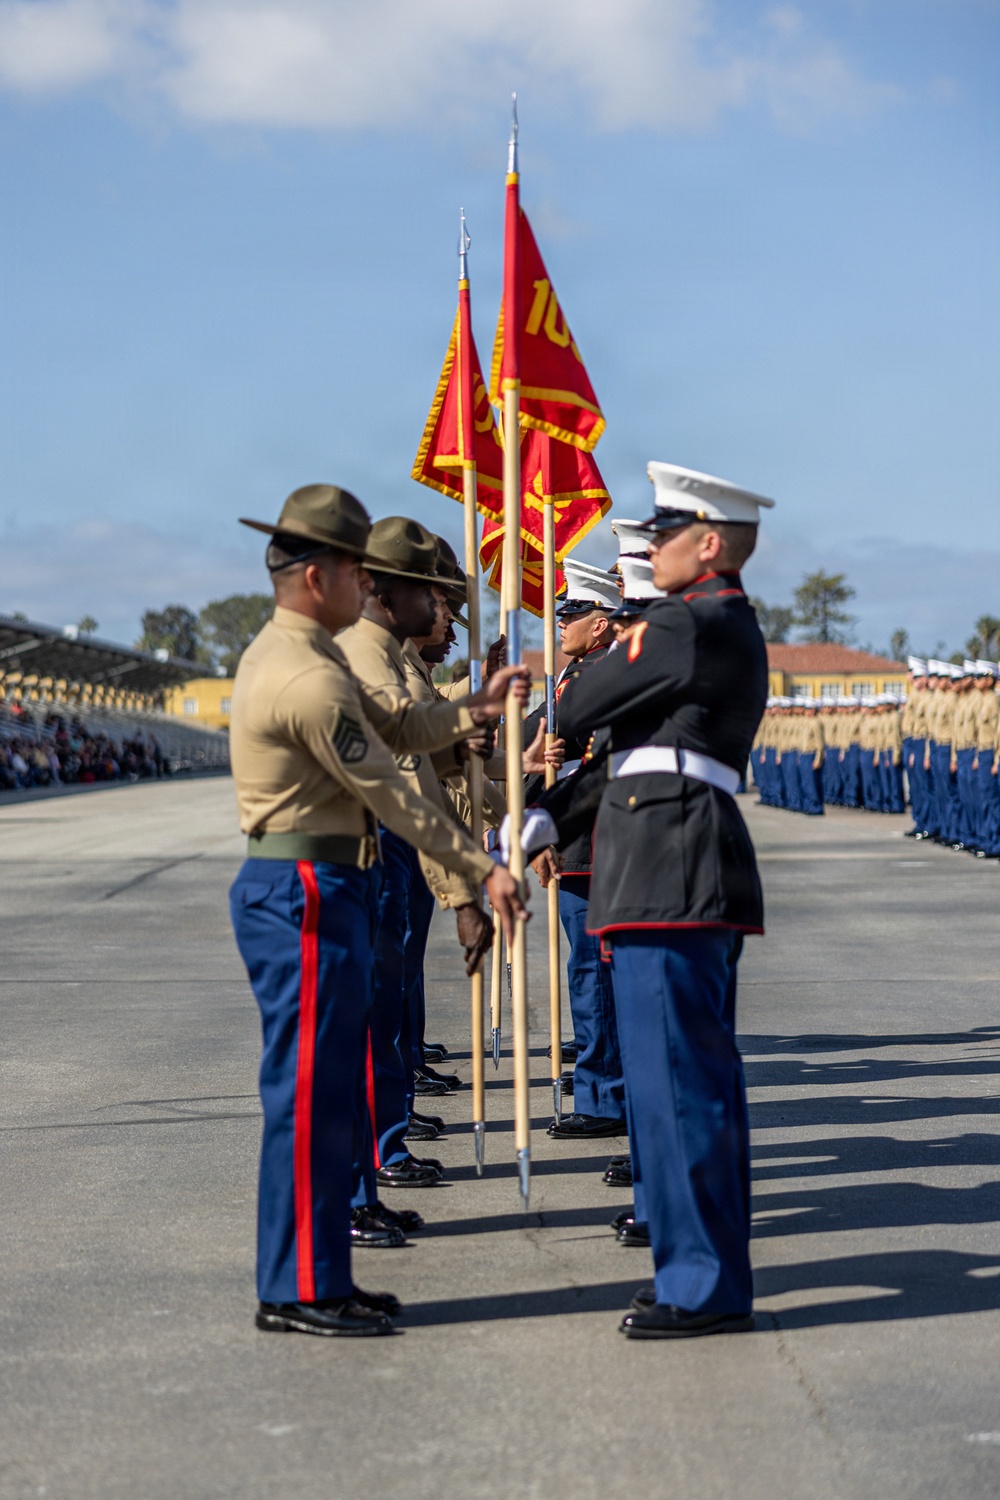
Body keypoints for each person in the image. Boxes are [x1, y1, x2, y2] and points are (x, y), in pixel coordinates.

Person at [228, 483, 529, 1338]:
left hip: (322, 885)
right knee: (312, 1098)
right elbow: (393, 793)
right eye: (358, 569)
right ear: (319, 576)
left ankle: (321, 1274)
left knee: (324, 1095)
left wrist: (466, 709)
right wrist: (479, 871)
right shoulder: (306, 678)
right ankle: (296, 1287)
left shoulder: (310, 655)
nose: (367, 585)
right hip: (306, 892)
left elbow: (396, 722)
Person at [523, 459, 773, 1338]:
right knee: (668, 1085)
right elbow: (626, 754)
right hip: (652, 862)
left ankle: (703, 1284)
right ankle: (685, 1260)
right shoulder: (684, 628)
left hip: (674, 866)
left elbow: (582, 701)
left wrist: (543, 721)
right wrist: (549, 817)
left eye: (665, 534)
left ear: (707, 544)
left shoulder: (696, 623)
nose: (651, 549)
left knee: (682, 1082)